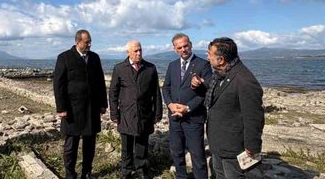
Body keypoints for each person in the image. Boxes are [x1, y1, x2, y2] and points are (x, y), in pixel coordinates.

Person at [201, 37, 264, 179]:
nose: (207, 57)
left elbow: (254, 117)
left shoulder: (244, 80)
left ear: (221, 59)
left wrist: (252, 147)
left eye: (209, 54)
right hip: (218, 144)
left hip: (234, 148)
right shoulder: (220, 75)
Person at [53, 29, 108, 179]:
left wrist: (103, 103)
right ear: (77, 42)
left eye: (90, 41)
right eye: (86, 42)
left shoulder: (95, 58)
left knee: (90, 144)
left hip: (92, 108)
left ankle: (87, 172)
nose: (89, 44)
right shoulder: (64, 57)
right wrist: (62, 108)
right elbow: (58, 84)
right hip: (72, 109)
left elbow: (100, 82)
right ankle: (70, 174)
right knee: (71, 145)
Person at [109, 40, 163, 179]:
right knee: (126, 146)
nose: (139, 53)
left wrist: (157, 113)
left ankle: (142, 170)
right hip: (126, 114)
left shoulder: (150, 68)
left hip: (144, 113)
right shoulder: (119, 68)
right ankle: (126, 171)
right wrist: (114, 113)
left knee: (142, 144)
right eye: (135, 51)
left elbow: (156, 93)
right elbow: (113, 93)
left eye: (140, 50)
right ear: (128, 52)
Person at [162, 33, 213, 179]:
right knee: (177, 152)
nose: (184, 49)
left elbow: (206, 92)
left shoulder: (203, 64)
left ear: (190, 44)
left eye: (186, 46)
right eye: (180, 47)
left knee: (197, 154)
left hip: (193, 118)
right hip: (174, 116)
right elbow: (166, 88)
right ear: (175, 49)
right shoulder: (172, 66)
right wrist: (170, 104)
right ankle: (181, 176)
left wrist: (187, 108)